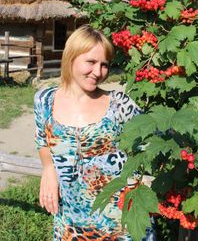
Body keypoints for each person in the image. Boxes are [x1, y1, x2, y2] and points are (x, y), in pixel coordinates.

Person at [34, 24, 156, 240]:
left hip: (120, 225)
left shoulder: (119, 105)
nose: (98, 72)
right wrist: (48, 168)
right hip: (69, 222)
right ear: (71, 57)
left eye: (104, 65)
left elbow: (152, 147)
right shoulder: (45, 100)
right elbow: (42, 141)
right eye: (90, 62)